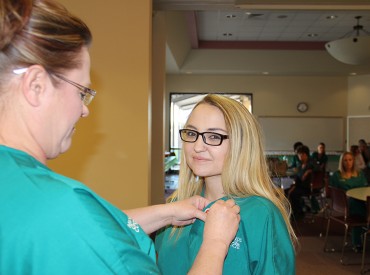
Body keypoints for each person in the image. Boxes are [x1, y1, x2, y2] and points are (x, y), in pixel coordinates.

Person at [0, 1, 241, 274]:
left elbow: (92, 229)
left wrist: (168, 212)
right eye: (81, 91)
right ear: (36, 86)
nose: (84, 110)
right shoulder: (60, 207)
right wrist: (216, 243)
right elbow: (77, 231)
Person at [155, 94, 297, 275]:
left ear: (240, 144)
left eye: (214, 136)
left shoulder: (261, 214)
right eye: (191, 133)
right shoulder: (176, 205)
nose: (198, 146)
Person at [330, 151, 367, 252]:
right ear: (342, 162)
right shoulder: (337, 175)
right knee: (358, 208)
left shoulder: (359, 174)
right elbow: (331, 192)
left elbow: (365, 188)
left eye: (350, 160)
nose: (348, 162)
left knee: (362, 206)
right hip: (345, 203)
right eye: (345, 160)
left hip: (361, 200)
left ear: (353, 161)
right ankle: (357, 242)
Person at [286, 145, 314, 219]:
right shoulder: (301, 165)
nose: (299, 156)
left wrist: (308, 171)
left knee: (293, 194)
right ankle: (295, 211)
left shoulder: (310, 164)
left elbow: (317, 169)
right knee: (287, 191)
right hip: (299, 185)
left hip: (306, 187)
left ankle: (298, 213)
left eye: (300, 154)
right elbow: (298, 178)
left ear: (305, 154)